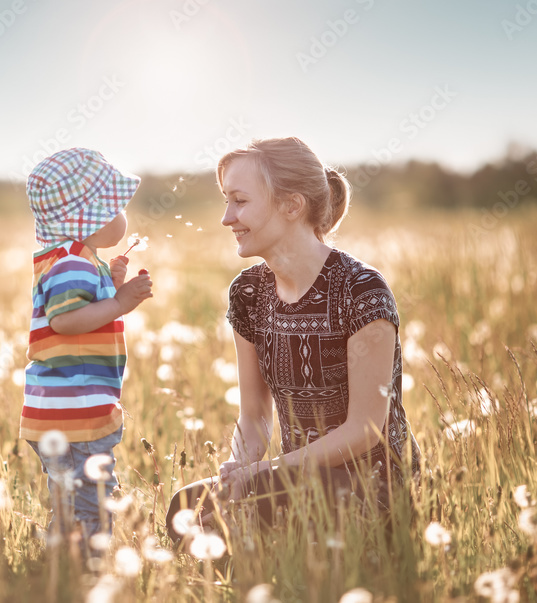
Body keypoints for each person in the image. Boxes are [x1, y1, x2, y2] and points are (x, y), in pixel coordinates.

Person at [165, 137, 421, 540]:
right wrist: (238, 470)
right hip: (291, 480)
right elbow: (254, 417)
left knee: (265, 509)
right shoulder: (248, 293)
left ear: (291, 205)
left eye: (240, 201)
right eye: (225, 201)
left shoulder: (361, 290)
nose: (226, 218)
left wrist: (262, 473)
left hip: (372, 485)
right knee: (186, 508)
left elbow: (365, 428)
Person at [20, 147, 154, 547]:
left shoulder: (72, 258)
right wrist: (120, 302)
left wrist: (110, 283)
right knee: (91, 501)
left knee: (68, 500)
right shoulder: (71, 264)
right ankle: (88, 567)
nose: (123, 216)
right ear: (91, 218)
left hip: (58, 410)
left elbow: (77, 308)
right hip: (76, 412)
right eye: (115, 207)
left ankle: (60, 560)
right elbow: (65, 321)